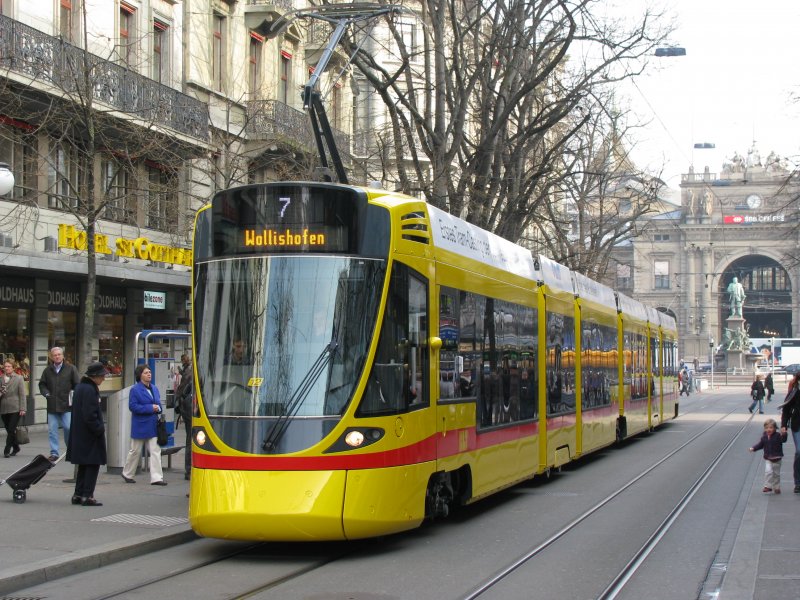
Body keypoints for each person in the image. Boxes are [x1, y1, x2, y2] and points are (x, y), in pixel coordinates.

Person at [67, 362, 108, 506]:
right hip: (89, 434)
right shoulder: (90, 390)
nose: (103, 378)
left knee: (83, 464)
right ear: (95, 376)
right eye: (102, 376)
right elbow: (90, 414)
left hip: (80, 433)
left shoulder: (80, 387)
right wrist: (99, 428)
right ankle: (87, 495)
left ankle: (78, 494)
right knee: (92, 464)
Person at [121, 364, 167, 486]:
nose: (149, 374)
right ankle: (127, 473)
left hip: (152, 425)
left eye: (150, 372)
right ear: (140, 375)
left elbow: (159, 405)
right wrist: (150, 408)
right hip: (140, 424)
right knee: (135, 450)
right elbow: (133, 406)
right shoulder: (135, 390)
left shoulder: (155, 388)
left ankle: (157, 478)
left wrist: (158, 408)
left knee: (155, 451)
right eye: (146, 372)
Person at [38, 347, 80, 460]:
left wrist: (74, 395)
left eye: (59, 354)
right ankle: (54, 453)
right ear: (51, 357)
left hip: (67, 405)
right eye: (55, 355)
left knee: (68, 427)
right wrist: (46, 394)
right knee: (52, 430)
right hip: (52, 405)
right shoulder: (47, 370)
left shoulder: (71, 369)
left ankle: (70, 449)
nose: (57, 356)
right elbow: (42, 384)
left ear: (63, 356)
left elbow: (77, 384)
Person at [749, 417, 787, 493]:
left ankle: (776, 487)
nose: (768, 429)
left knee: (776, 474)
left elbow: (784, 440)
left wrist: (784, 433)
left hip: (777, 458)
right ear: (764, 429)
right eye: (766, 428)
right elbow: (760, 445)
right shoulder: (764, 437)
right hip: (768, 458)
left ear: (775, 428)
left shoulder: (778, 435)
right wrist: (753, 448)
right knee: (768, 472)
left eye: (771, 428)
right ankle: (768, 486)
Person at [1, 359, 26, 457]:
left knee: (11, 429)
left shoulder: (19, 378)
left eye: (9, 366)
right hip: (3, 408)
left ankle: (7, 450)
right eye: (5, 366)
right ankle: (16, 447)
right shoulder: (1, 378)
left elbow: (22, 394)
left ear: (13, 367)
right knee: (9, 429)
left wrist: (23, 408)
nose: (7, 368)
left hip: (15, 408)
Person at [780, 373, 800, 493]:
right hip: (797, 425)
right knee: (799, 451)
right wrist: (783, 425)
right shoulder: (795, 391)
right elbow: (786, 409)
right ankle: (798, 483)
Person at [175, 354, 193, 480]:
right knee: (191, 439)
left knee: (190, 439)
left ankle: (189, 470)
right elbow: (182, 390)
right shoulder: (191, 372)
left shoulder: (189, 370)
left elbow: (181, 390)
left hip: (188, 409)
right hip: (190, 410)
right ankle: (189, 470)